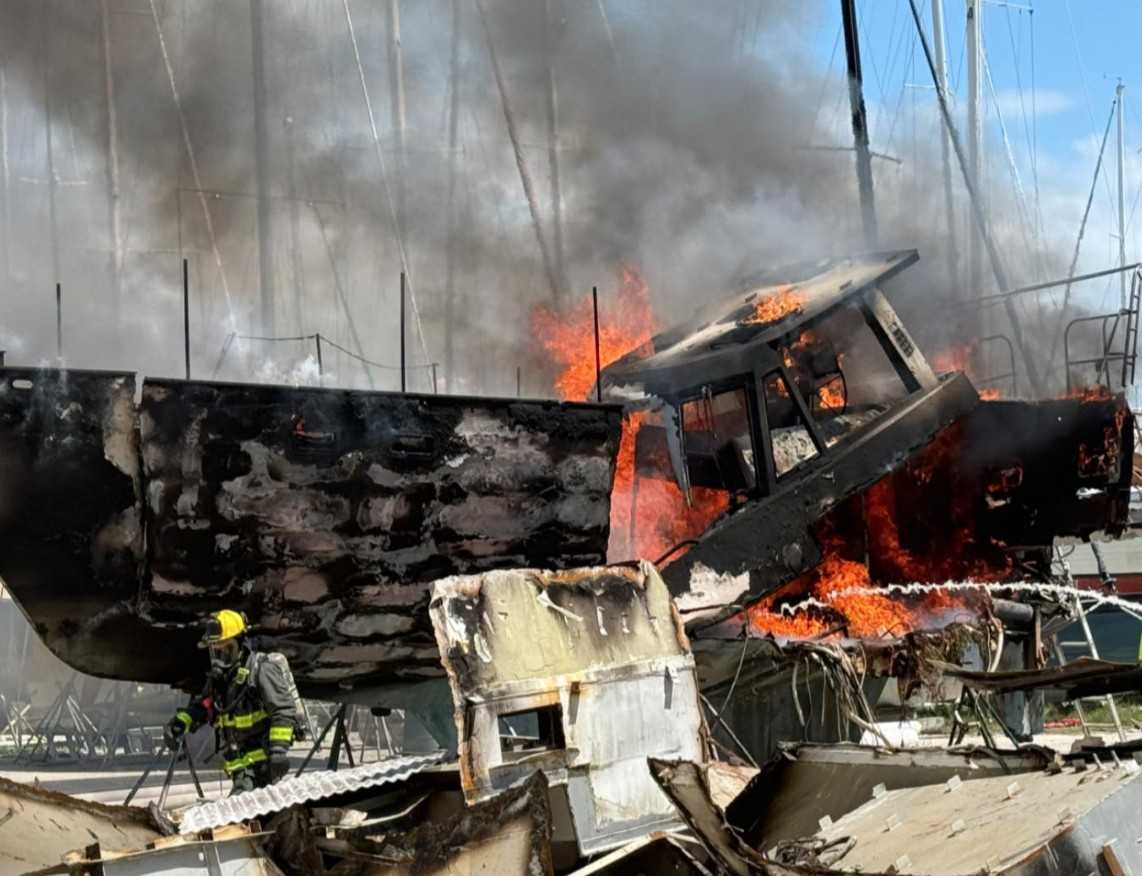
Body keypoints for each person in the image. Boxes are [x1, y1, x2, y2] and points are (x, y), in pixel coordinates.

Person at [164, 609, 297, 794]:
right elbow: (204, 707)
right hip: (239, 767)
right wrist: (181, 722)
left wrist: (278, 751)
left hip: (260, 767)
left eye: (227, 650)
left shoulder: (261, 669)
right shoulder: (221, 681)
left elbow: (283, 711)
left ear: (242, 644)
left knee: (238, 817)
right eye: (215, 652)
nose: (220, 659)